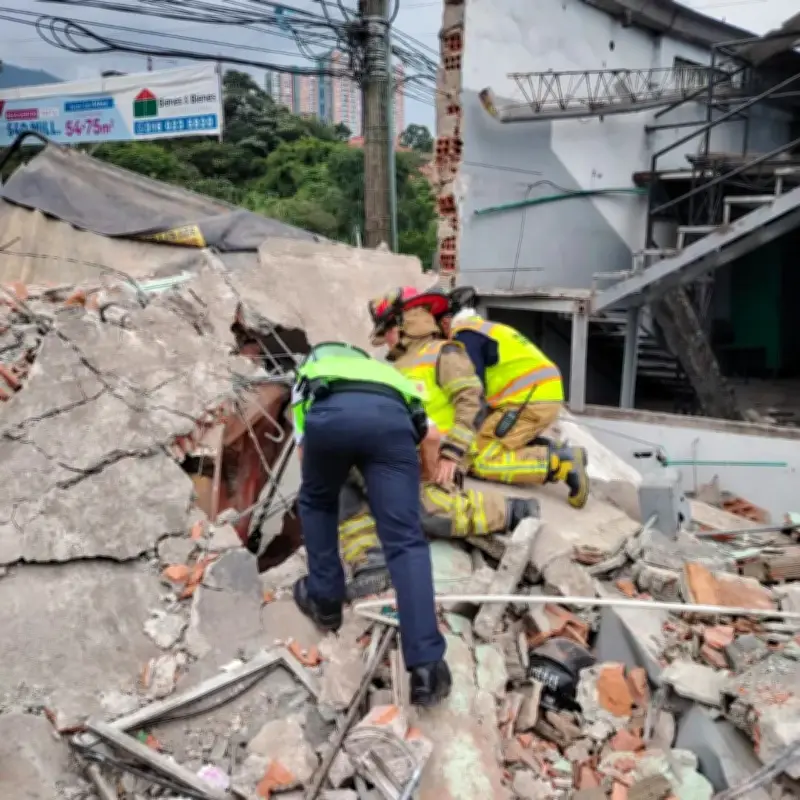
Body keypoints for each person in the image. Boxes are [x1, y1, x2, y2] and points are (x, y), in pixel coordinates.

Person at [291, 341, 451, 707]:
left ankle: (326, 600)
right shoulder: (389, 375)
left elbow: (305, 452)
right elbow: (433, 436)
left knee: (317, 501)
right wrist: (422, 475)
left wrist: (334, 468)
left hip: (330, 420)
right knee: (406, 541)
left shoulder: (310, 374)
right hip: (392, 426)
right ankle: (427, 667)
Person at [439, 286, 590, 509]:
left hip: (528, 399)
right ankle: (552, 451)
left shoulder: (465, 338)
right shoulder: (486, 328)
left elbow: (473, 395)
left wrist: (458, 450)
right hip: (539, 394)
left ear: (446, 322)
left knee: (481, 460)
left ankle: (559, 463)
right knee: (491, 440)